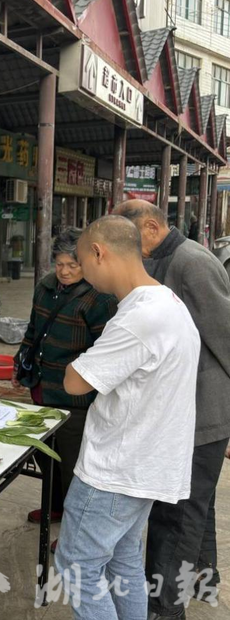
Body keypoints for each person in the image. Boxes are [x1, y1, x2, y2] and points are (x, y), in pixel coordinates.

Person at [56, 216, 199, 620]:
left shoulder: (140, 318)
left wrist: (80, 360)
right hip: (145, 464)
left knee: (77, 567)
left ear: (98, 252)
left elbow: (74, 382)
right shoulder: (166, 302)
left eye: (82, 262)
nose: (81, 272)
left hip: (115, 470)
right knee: (123, 562)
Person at [114, 199, 230, 619]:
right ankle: (202, 578)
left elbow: (226, 337)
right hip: (184, 408)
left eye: (130, 239)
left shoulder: (192, 263)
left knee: (176, 515)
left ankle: (165, 607)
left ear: (151, 227)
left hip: (202, 412)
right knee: (196, 505)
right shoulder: (162, 259)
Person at [11, 228, 117, 528]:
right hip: (41, 386)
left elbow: (104, 349)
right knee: (46, 453)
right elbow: (33, 330)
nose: (65, 271)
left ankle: (75, 527)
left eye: (72, 265)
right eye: (59, 264)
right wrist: (20, 363)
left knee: (73, 463)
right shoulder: (45, 286)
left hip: (75, 396)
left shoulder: (100, 297)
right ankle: (55, 506)